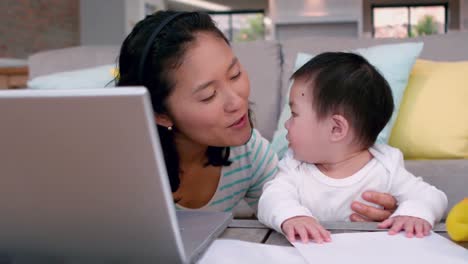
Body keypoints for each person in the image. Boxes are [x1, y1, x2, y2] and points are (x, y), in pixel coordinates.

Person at [116, 10, 399, 220]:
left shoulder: (249, 154)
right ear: (160, 114)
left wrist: (363, 212)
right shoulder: (125, 172)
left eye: (235, 74)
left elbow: (291, 208)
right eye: (208, 95)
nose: (236, 101)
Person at [258, 52, 448, 243]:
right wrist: (292, 216)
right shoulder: (294, 167)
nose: (286, 124)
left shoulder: (386, 167)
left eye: (294, 114)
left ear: (336, 128)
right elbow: (271, 198)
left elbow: (432, 196)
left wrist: (413, 213)